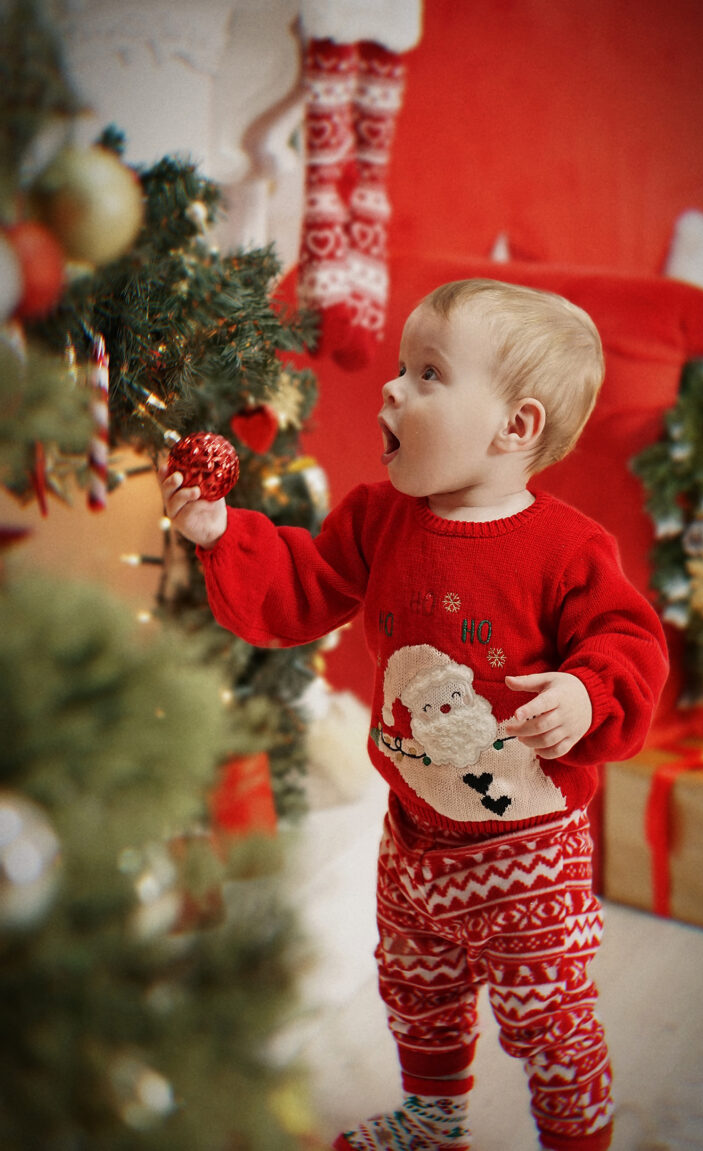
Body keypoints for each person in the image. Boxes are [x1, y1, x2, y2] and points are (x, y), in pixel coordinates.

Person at [160, 278, 669, 1151]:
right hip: (415, 834)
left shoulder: (567, 550)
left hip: (530, 847)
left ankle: (577, 1137)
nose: (393, 389)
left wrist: (587, 691)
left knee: (547, 1015)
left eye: (428, 374)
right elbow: (298, 590)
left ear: (516, 428)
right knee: (415, 987)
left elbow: (630, 643)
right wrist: (220, 533)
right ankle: (434, 1119)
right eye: (400, 366)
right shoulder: (377, 518)